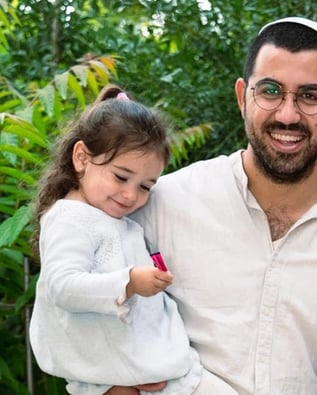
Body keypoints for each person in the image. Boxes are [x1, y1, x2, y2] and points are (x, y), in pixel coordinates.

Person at [129, 16, 317, 395]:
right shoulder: (165, 204)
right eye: (270, 91)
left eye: (310, 96)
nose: (288, 114)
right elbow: (84, 306)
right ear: (242, 97)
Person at [29, 85, 202, 395]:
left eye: (146, 186)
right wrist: (130, 281)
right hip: (108, 379)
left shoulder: (112, 217)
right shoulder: (70, 219)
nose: (130, 195)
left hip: (130, 370)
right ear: (81, 157)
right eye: (121, 177)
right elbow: (63, 287)